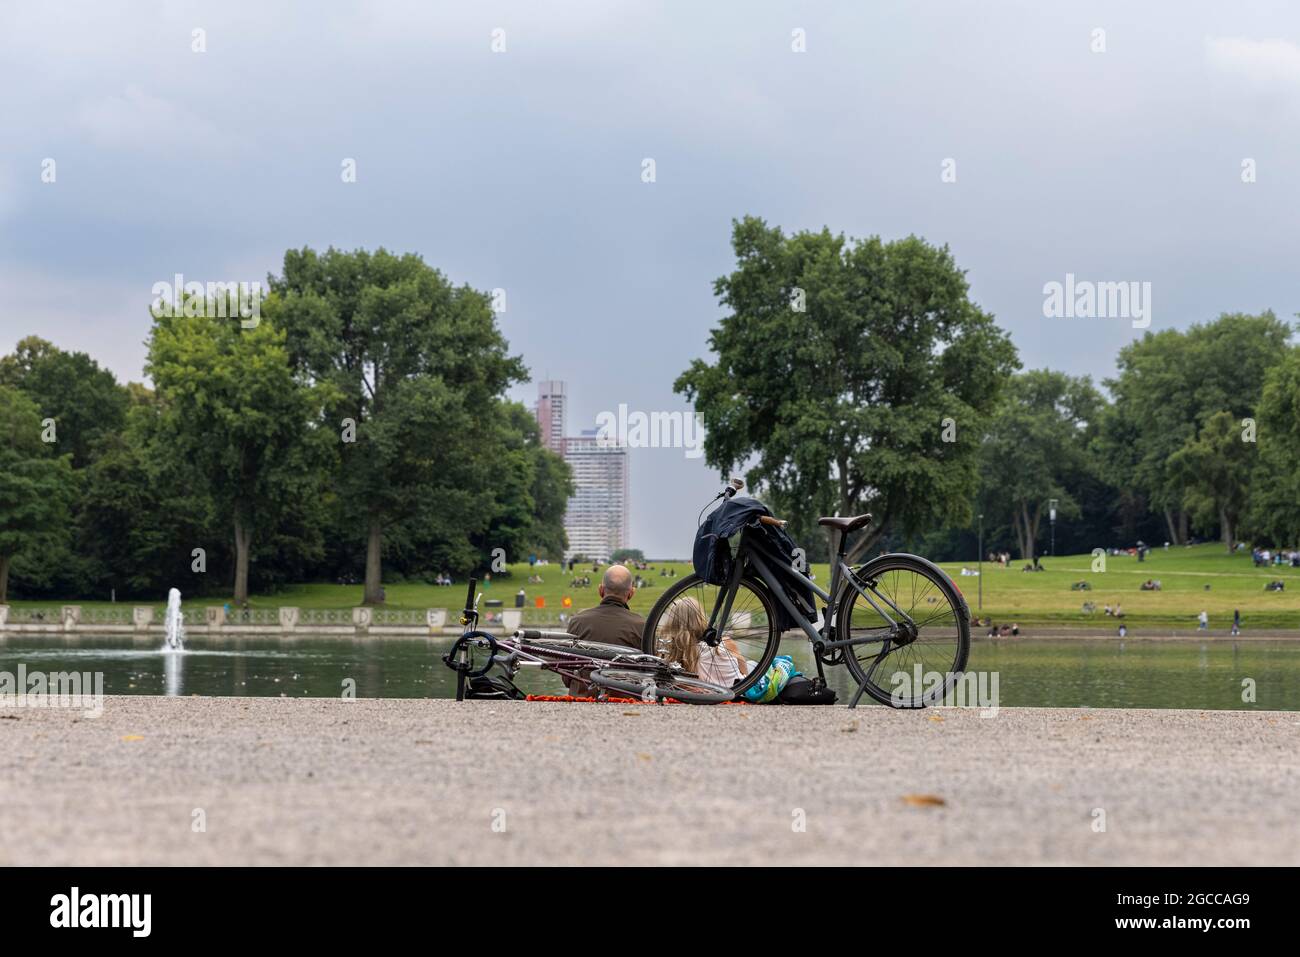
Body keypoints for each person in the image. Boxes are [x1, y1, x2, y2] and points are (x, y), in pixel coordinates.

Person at [562, 564, 644, 694]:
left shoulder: (577, 621)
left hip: (582, 699)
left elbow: (566, 677)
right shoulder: (641, 625)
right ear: (631, 593)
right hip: (625, 699)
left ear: (600, 590)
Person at [659, 595, 749, 687]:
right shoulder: (726, 643)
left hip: (703, 695)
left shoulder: (674, 654)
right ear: (701, 617)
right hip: (735, 691)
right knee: (751, 664)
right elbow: (745, 672)